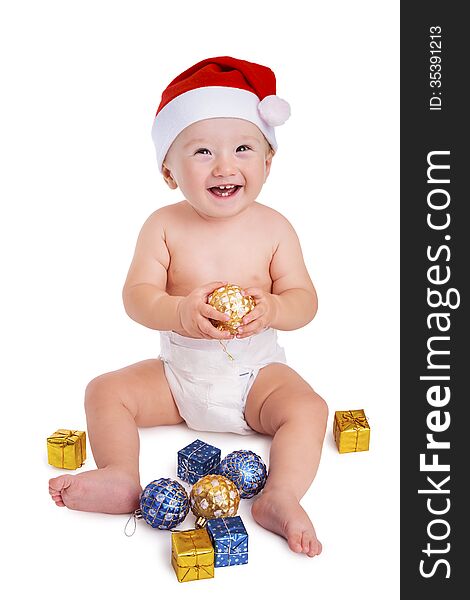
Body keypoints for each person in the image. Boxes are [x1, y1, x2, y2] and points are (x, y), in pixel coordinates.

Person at [49, 56, 328, 558]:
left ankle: (279, 496)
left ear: (268, 162)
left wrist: (274, 308)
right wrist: (178, 312)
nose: (225, 165)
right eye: (202, 151)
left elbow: (305, 301)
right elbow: (137, 297)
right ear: (168, 170)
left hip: (255, 377)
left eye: (243, 148)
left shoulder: (275, 228)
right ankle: (119, 474)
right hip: (178, 378)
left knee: (309, 409)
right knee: (105, 390)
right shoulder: (163, 226)